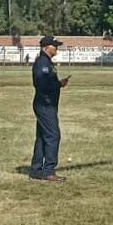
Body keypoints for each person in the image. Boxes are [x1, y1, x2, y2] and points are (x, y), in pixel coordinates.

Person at [29, 36, 70, 183]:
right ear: (47, 47)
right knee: (53, 136)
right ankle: (48, 171)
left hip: (47, 104)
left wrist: (59, 83)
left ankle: (36, 169)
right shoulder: (42, 63)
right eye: (55, 46)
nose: (56, 48)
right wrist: (57, 85)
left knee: (42, 137)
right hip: (45, 104)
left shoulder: (46, 62)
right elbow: (42, 84)